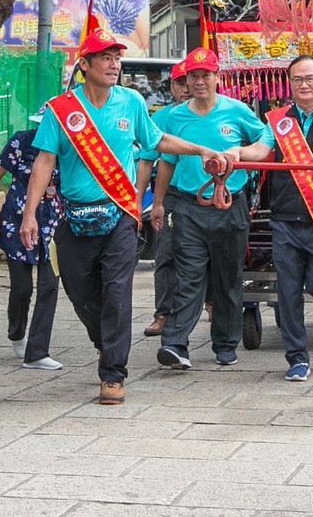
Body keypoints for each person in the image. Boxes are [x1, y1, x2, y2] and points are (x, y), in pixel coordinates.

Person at [21, 29, 228, 406]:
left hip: (119, 215)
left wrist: (199, 148)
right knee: (81, 293)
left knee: (117, 292)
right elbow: (45, 161)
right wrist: (29, 214)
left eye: (117, 57)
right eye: (105, 57)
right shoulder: (61, 110)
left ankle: (113, 374)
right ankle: (105, 342)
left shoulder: (131, 102)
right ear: (84, 65)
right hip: (75, 217)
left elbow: (157, 140)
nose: (114, 63)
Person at [154, 47, 268, 371]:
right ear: (186, 80)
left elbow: (266, 139)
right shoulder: (175, 117)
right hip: (190, 206)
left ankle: (225, 343)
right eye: (194, 76)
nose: (200, 81)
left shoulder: (238, 111)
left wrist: (242, 151)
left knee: (228, 277)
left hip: (231, 205)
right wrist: (159, 203)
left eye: (206, 75)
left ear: (217, 77)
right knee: (188, 276)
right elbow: (166, 162)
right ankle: (174, 344)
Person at [258, 55, 313, 382]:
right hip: (284, 219)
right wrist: (235, 154)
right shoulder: (279, 121)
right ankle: (296, 357)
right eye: (297, 79)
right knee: (288, 291)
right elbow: (259, 150)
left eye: (310, 78)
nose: (304, 85)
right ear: (290, 83)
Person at [0, 106, 63, 369]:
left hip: (53, 221)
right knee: (22, 288)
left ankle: (38, 350)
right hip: (16, 220)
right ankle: (17, 333)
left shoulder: (68, 145)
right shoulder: (21, 140)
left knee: (49, 285)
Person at [135, 60, 190, 337]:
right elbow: (146, 161)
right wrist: (140, 200)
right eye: (180, 82)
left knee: (212, 256)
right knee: (165, 254)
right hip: (171, 195)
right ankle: (163, 313)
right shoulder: (160, 118)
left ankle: (212, 304)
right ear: (172, 86)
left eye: (190, 81)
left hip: (207, 196)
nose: (187, 88)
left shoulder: (219, 112)